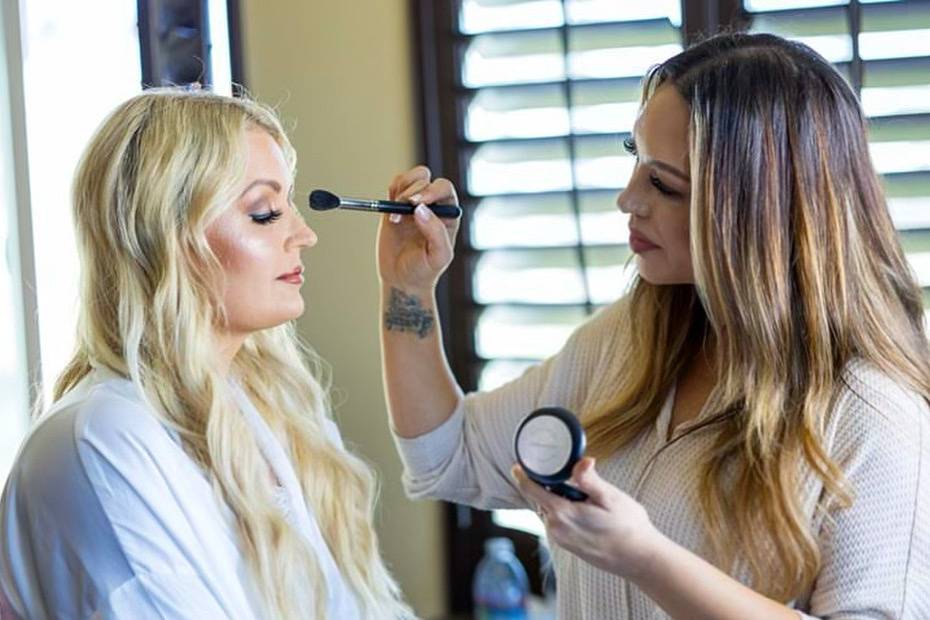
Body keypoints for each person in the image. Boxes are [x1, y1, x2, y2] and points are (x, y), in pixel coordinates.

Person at [377, 32, 930, 619]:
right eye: (634, 160)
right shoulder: (628, 342)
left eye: (663, 184)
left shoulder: (871, 414)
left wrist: (645, 557)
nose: (627, 199)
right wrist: (407, 289)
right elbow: (447, 454)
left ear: (757, 212)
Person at [0, 89, 413, 619]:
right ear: (164, 238)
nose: (304, 235)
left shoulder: (273, 412)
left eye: (289, 206)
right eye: (265, 213)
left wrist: (412, 289)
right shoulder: (101, 438)